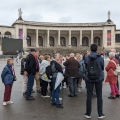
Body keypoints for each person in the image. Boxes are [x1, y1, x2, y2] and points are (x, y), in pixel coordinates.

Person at [84, 44, 105, 119]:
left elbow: (85, 67)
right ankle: (100, 113)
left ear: (90, 49)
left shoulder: (87, 58)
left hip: (89, 78)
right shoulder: (100, 58)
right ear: (97, 49)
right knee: (99, 95)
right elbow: (102, 67)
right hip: (98, 78)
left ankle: (88, 113)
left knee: (89, 95)